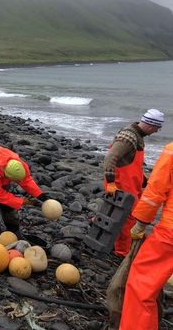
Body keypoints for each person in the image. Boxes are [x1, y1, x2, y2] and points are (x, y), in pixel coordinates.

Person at [119, 142, 173, 330]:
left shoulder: (172, 150)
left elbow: (156, 191)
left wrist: (140, 222)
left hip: (170, 233)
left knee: (141, 285)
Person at [104, 109, 164, 257]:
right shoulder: (128, 136)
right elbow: (110, 158)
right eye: (157, 128)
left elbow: (129, 161)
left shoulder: (137, 136)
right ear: (151, 125)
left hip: (131, 184)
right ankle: (122, 251)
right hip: (120, 184)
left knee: (119, 213)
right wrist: (111, 182)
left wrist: (143, 178)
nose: (157, 132)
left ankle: (110, 235)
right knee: (128, 218)